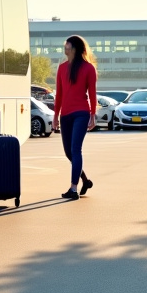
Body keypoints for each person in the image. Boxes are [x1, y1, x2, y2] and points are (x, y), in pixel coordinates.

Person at [53, 34, 97, 201]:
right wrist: (56, 115)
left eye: (68, 47)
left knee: (75, 149)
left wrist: (93, 114)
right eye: (65, 46)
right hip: (66, 115)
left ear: (75, 49)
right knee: (68, 153)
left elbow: (92, 93)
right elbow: (59, 94)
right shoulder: (62, 68)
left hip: (81, 113)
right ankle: (85, 181)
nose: (65, 49)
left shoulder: (88, 68)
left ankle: (73, 188)